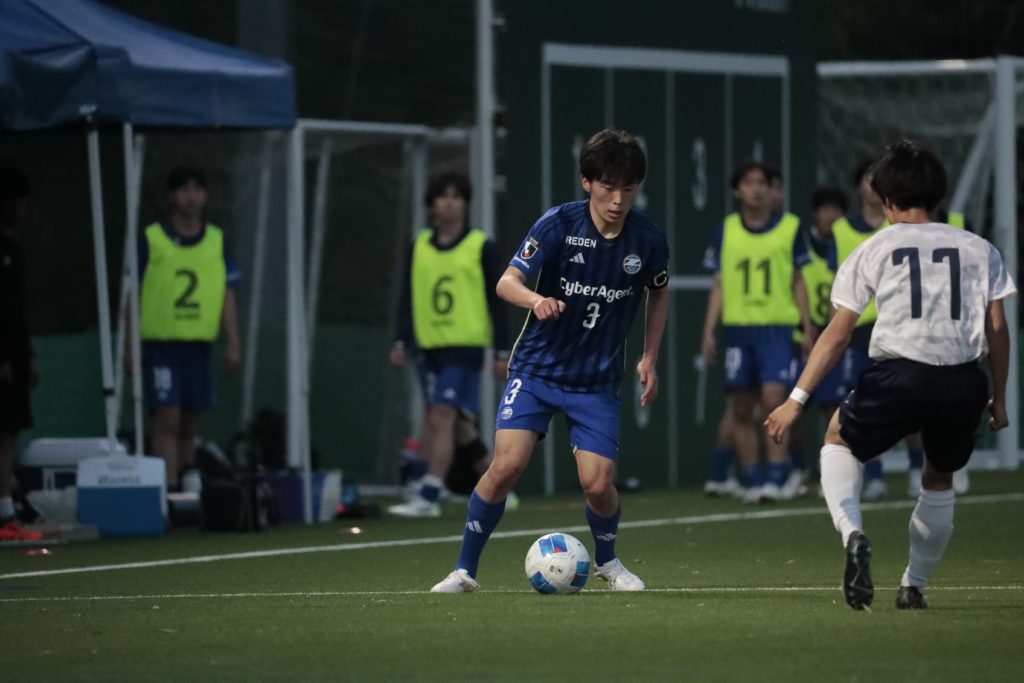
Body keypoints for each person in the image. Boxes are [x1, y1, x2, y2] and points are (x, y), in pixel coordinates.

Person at [765, 140, 1014, 610]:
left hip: (899, 374)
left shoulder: (874, 247)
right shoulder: (979, 248)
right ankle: (912, 586)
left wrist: (795, 400)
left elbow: (838, 334)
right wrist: (999, 397)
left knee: (838, 439)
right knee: (939, 477)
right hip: (962, 380)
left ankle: (853, 534)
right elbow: (997, 330)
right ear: (938, 197)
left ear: (886, 201)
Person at [430, 129, 669, 593]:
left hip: (595, 381)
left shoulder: (648, 240)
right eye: (608, 186)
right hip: (537, 371)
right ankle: (463, 570)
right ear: (587, 182)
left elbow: (658, 292)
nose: (618, 199)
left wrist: (650, 356)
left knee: (597, 484)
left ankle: (608, 563)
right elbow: (506, 282)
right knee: (506, 466)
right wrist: (536, 300)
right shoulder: (558, 224)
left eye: (628, 188)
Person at [387, 171, 511, 517]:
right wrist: (401, 339)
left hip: (465, 347)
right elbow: (407, 296)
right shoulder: (419, 245)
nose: (449, 203)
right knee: (451, 422)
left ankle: (429, 492)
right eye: (443, 196)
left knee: (442, 414)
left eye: (457, 196)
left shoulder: (480, 246)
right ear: (431, 204)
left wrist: (501, 350)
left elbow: (497, 300)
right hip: (429, 346)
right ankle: (498, 484)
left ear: (466, 204)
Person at [700, 161, 815, 503]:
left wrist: (807, 327)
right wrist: (708, 331)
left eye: (762, 182)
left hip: (777, 329)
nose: (756, 189)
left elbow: (798, 281)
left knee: (773, 401)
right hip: (739, 330)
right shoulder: (726, 230)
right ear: (737, 191)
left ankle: (777, 478)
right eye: (749, 183)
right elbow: (719, 284)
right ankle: (753, 478)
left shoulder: (790, 228)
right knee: (739, 408)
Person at [136, 167, 241, 490]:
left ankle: (187, 483)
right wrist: (128, 344)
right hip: (162, 345)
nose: (191, 197)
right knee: (166, 417)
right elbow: (132, 294)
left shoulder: (216, 240)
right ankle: (166, 490)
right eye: (184, 190)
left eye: (197, 189)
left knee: (190, 420)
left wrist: (233, 340)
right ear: (172, 197)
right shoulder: (152, 239)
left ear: (205, 196)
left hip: (198, 345)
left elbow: (226, 293)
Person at [831, 161, 927, 499]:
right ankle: (875, 477)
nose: (872, 186)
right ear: (858, 187)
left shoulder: (902, 226)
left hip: (900, 326)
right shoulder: (842, 229)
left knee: (910, 405)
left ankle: (916, 470)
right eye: (867, 180)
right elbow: (836, 280)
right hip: (859, 329)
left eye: (878, 180)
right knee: (864, 405)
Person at [0, 168, 40, 535]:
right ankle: (3, 509)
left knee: (10, 430)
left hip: (15, 354)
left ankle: (6, 505)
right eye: (13, 203)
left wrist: (27, 354)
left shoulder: (16, 249)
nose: (19, 210)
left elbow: (19, 311)